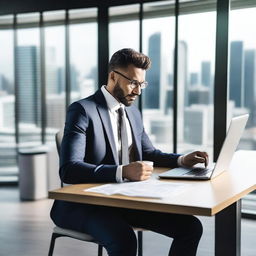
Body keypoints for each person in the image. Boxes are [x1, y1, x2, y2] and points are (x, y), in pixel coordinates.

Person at [50, 48, 209, 256]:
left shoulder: (132, 111)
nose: (138, 91)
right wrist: (122, 171)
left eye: (142, 84)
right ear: (113, 76)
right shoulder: (82, 110)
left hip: (124, 199)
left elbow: (149, 153)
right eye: (133, 83)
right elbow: (69, 170)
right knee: (124, 240)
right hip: (84, 205)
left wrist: (181, 160)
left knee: (190, 227)